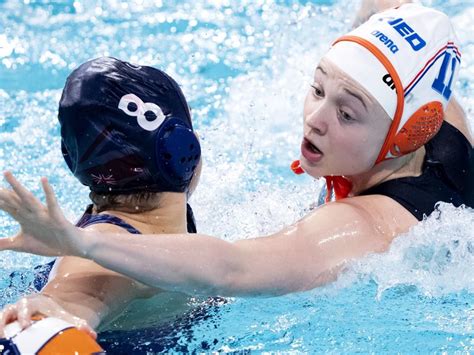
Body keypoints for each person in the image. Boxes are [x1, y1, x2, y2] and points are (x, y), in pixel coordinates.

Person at [0, 1, 473, 326]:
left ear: (409, 133)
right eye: (317, 87)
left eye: (347, 113)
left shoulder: (368, 227)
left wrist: (79, 241)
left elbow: (234, 269)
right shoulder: (433, 110)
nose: (315, 119)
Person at [0, 57, 203, 339]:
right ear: (182, 150)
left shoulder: (156, 226)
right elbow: (74, 297)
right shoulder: (110, 254)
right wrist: (45, 312)